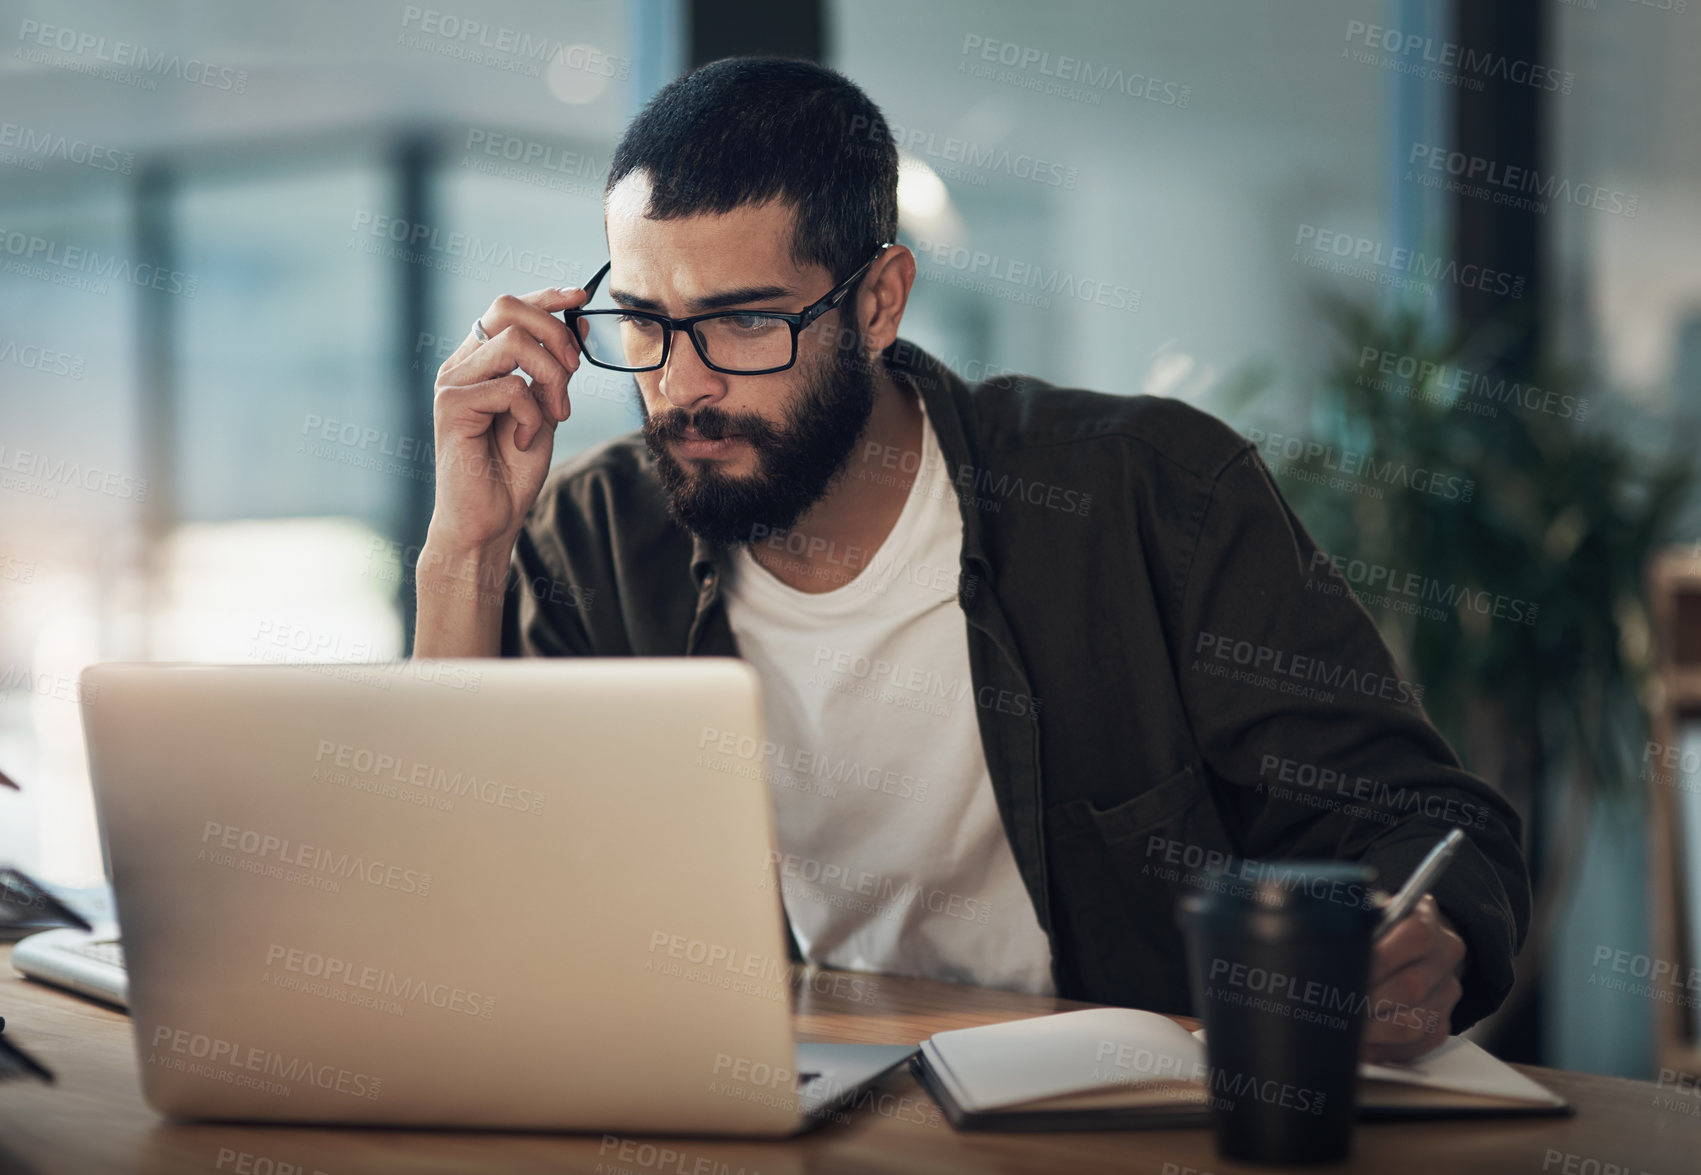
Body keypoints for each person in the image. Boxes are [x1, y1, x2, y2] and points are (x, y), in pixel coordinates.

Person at [414, 56, 1529, 1063]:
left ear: (881, 300)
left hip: (1137, 1130)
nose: (682, 383)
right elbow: (462, 911)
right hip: (799, 1109)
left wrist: (1422, 935)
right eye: (643, 322)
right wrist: (464, 551)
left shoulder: (1148, 495)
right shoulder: (599, 540)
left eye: (743, 323)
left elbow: (1421, 819)